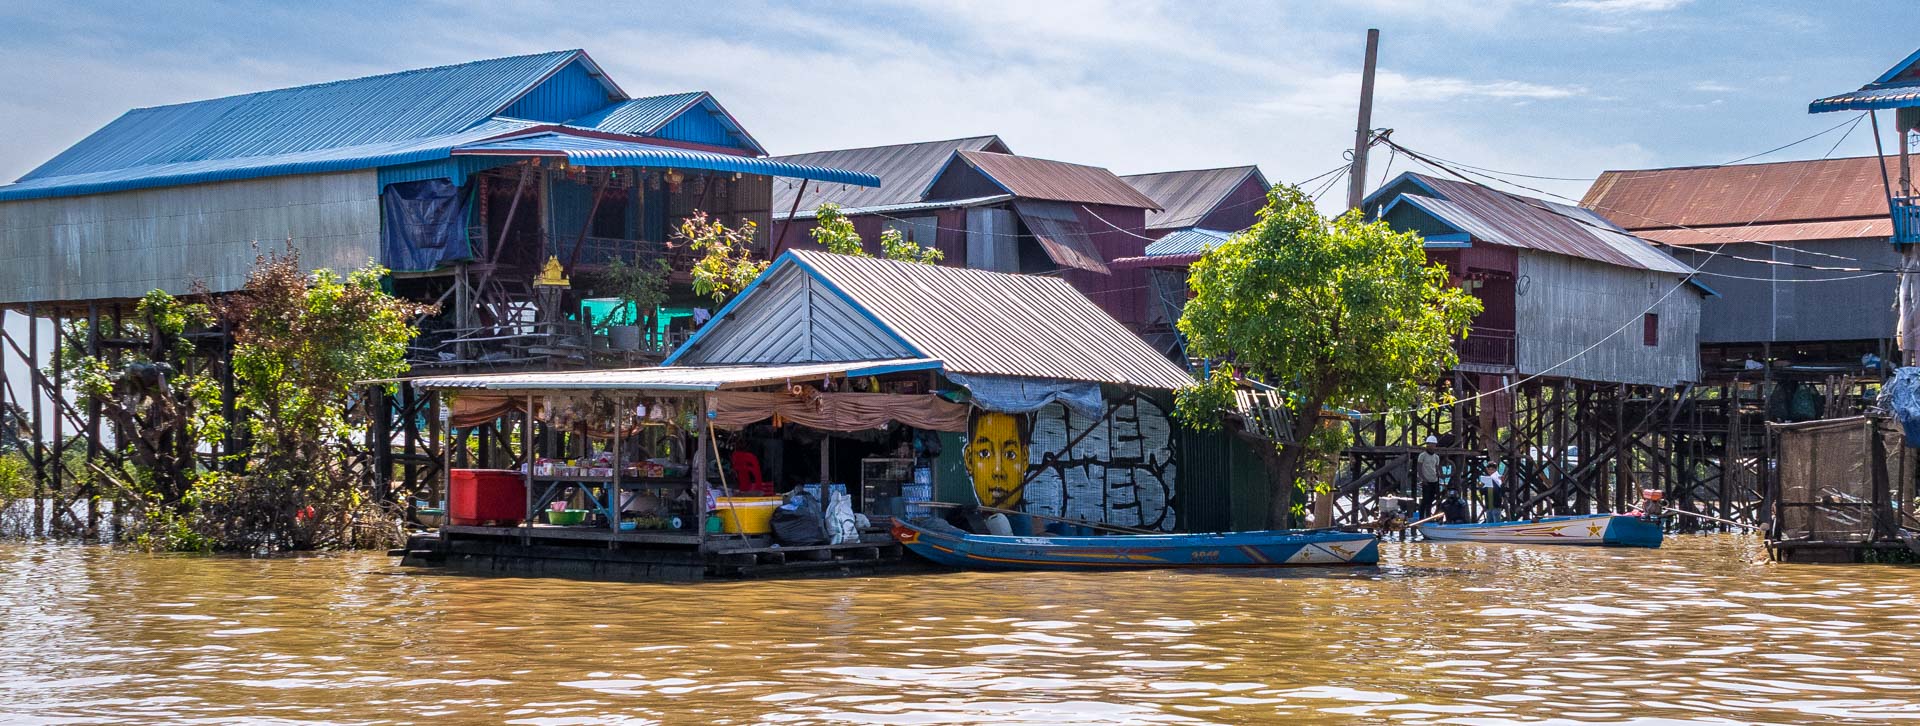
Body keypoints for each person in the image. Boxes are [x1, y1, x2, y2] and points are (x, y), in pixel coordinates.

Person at [1415, 435, 1443, 518]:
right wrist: (1423, 479)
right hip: (1426, 481)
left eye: (1434, 445)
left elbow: (1437, 468)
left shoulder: (1436, 457)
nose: (1432, 446)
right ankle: (1421, 517)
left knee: (1431, 500)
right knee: (1425, 499)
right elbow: (1419, 468)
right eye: (1431, 444)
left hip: (1434, 480)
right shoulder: (1422, 456)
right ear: (1427, 445)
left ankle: (1428, 516)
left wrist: (1440, 475)